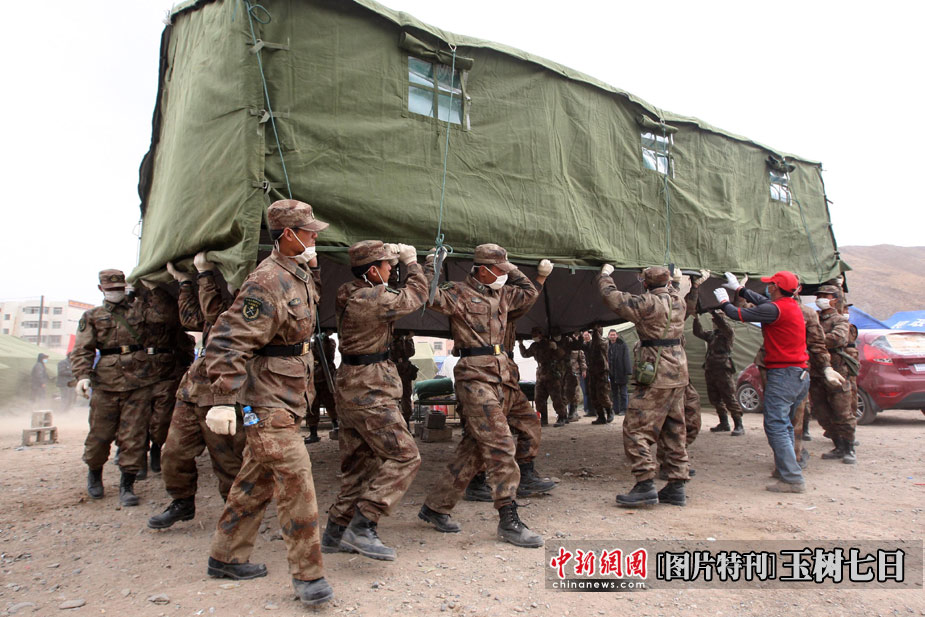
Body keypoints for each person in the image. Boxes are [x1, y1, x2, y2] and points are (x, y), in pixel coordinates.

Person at [202, 199, 333, 607]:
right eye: (309, 232)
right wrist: (223, 399)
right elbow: (227, 340)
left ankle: (225, 557)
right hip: (266, 400)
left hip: (290, 395)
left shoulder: (298, 274)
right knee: (296, 479)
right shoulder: (266, 281)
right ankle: (309, 576)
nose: (314, 237)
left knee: (254, 481)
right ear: (287, 235)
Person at [417, 245, 551, 548]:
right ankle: (508, 518)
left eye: (505, 270)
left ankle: (435, 507)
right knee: (500, 444)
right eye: (499, 270)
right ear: (481, 269)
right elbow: (426, 295)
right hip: (475, 376)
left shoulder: (503, 294)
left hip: (504, 376)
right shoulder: (458, 292)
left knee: (478, 446)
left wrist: (515, 270)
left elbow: (529, 292)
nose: (504, 275)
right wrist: (430, 265)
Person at [321, 240, 426, 561]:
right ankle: (364, 523)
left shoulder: (349, 291)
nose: (391, 269)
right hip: (370, 387)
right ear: (371, 271)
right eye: (386, 266)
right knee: (405, 456)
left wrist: (389, 258)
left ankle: (335, 531)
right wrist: (413, 263)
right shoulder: (372, 298)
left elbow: (388, 286)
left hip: (351, 384)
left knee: (359, 464)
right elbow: (415, 296)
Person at [714, 271, 845, 493]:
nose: (767, 288)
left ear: (775, 287)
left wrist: (724, 302)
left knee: (776, 425)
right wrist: (739, 289)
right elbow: (763, 302)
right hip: (799, 375)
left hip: (783, 375)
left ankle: (792, 478)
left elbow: (737, 314)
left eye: (770, 284)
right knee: (786, 425)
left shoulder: (775, 309)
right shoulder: (790, 306)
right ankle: (790, 470)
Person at [148, 252, 245, 530]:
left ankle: (236, 512)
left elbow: (214, 313)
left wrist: (204, 276)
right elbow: (192, 318)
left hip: (223, 393)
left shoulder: (243, 310)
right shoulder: (219, 308)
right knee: (174, 453)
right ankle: (182, 501)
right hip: (192, 390)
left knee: (227, 461)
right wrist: (184, 283)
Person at [598, 265, 690, 507]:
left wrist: (605, 275)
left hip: (656, 372)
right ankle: (677, 484)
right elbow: (674, 291)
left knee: (635, 429)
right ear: (668, 283)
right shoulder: (679, 301)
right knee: (674, 428)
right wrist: (675, 282)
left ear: (645, 284)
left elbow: (612, 297)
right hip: (679, 372)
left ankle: (645, 482)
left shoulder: (647, 303)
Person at [71, 269, 156, 506]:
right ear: (101, 289)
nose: (115, 293)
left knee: (134, 436)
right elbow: (82, 349)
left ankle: (127, 485)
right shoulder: (92, 316)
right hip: (106, 384)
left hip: (138, 381)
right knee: (100, 435)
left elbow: (161, 318)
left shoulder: (140, 310)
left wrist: (143, 292)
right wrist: (82, 376)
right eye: (110, 289)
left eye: (119, 289)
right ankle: (94, 473)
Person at [141, 284, 195, 477]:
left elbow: (185, 349)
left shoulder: (173, 318)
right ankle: (139, 457)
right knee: (138, 418)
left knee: (162, 417)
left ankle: (156, 447)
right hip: (138, 372)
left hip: (167, 372)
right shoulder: (137, 312)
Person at [810, 285, 858, 464]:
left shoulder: (840, 320)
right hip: (816, 372)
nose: (821, 298)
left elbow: (838, 339)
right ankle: (838, 446)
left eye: (826, 295)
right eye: (819, 295)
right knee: (822, 413)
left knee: (842, 412)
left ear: (835, 299)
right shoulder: (813, 317)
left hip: (837, 371)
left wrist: (814, 338)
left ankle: (849, 448)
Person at [693, 310, 745, 436]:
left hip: (723, 369)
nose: (714, 322)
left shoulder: (728, 333)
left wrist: (715, 315)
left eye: (717, 320)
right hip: (711, 368)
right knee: (714, 398)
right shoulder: (712, 335)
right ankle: (724, 422)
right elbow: (698, 332)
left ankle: (739, 424)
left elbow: (724, 325)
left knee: (729, 397)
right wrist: (696, 319)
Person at [519, 327, 568, 426]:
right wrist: (521, 344)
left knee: (556, 397)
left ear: (541, 334)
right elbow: (525, 354)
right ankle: (543, 418)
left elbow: (561, 355)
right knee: (539, 398)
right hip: (540, 374)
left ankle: (562, 417)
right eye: (533, 335)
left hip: (552, 374)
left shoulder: (549, 343)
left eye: (536, 334)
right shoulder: (534, 346)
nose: (534, 337)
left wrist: (556, 348)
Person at [306, 333, 338, 443]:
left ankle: (336, 426)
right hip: (313, 380)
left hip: (326, 378)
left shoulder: (330, 343)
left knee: (332, 404)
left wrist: (324, 340)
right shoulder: (310, 345)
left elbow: (328, 355)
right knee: (312, 407)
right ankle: (313, 433)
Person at [578, 327, 612, 424]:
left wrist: (596, 331)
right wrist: (580, 335)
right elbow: (580, 346)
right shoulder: (590, 344)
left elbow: (600, 343)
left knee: (603, 394)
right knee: (593, 395)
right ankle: (601, 416)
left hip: (602, 372)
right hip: (592, 373)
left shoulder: (604, 342)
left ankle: (609, 411)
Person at [390, 332, 419, 426]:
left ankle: (406, 422)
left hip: (405, 371)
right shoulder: (389, 338)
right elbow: (390, 354)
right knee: (391, 396)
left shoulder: (406, 339)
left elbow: (411, 352)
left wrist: (407, 339)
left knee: (406, 396)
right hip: (392, 370)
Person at [606, 330, 631, 417]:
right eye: (611, 335)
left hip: (621, 372)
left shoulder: (622, 345)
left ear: (617, 335)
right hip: (611, 373)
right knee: (614, 393)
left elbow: (626, 358)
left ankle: (624, 409)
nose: (612, 336)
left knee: (623, 392)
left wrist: (628, 371)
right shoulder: (607, 345)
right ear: (608, 336)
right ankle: (615, 409)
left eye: (614, 335)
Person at [564, 343, 587, 421]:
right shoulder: (564, 345)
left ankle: (573, 412)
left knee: (575, 392)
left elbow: (582, 359)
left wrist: (583, 370)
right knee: (564, 392)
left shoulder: (577, 347)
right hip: (564, 372)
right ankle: (564, 413)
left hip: (575, 372)